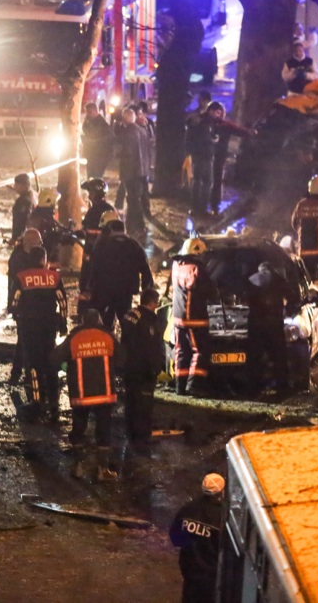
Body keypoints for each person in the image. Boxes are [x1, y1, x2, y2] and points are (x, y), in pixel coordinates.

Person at [53, 310, 124, 481]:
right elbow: (123, 359)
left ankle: (78, 466)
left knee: (79, 429)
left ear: (83, 322)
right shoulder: (108, 336)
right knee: (103, 430)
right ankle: (102, 469)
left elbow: (54, 359)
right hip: (105, 394)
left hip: (80, 394)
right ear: (99, 321)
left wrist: (66, 365)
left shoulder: (75, 337)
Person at [12, 245, 67, 421]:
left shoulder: (21, 277)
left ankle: (38, 401)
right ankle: (54, 402)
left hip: (29, 327)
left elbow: (14, 302)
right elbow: (62, 302)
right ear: (44, 260)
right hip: (49, 326)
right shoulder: (54, 277)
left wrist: (17, 316)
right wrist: (63, 323)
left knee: (33, 365)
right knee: (51, 362)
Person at [86, 217, 154, 330]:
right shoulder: (134, 245)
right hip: (126, 292)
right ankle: (126, 340)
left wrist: (91, 288)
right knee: (126, 322)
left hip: (105, 290)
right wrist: (146, 289)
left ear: (111, 230)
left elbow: (94, 267)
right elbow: (145, 269)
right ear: (124, 230)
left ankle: (108, 338)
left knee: (106, 323)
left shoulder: (103, 245)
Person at [171, 238, 217, 395]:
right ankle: (194, 385)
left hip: (178, 317)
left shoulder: (176, 266)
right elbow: (210, 291)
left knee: (181, 351)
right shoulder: (198, 268)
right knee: (199, 351)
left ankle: (180, 386)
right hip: (195, 318)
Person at [169, 473, 225, 603]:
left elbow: (175, 537)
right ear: (221, 492)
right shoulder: (221, 517)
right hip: (210, 573)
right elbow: (223, 547)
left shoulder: (188, 509)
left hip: (189, 568)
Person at [121, 288, 162, 449]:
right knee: (143, 405)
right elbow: (150, 348)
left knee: (130, 401)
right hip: (143, 370)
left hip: (129, 368)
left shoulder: (131, 315)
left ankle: (130, 435)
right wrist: (154, 368)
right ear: (152, 303)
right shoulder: (148, 320)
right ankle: (142, 438)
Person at [246, 262, 296, 390]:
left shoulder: (252, 279)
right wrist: (288, 310)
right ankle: (282, 384)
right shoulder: (278, 279)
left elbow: (244, 299)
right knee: (279, 354)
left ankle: (254, 385)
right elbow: (292, 297)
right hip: (274, 321)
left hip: (256, 322)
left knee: (255, 354)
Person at [6, 228, 44, 385]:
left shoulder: (22, 256)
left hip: (29, 307)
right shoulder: (20, 259)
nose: (41, 244)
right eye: (39, 241)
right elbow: (20, 285)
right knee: (25, 342)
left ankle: (18, 374)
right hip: (24, 308)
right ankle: (25, 375)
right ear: (31, 242)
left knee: (24, 341)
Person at [208, 102, 252, 214]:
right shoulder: (218, 125)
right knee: (214, 180)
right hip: (212, 156)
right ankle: (212, 205)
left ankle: (212, 205)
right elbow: (240, 131)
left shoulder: (222, 125)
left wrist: (249, 132)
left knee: (215, 180)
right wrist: (250, 132)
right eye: (218, 112)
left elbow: (239, 131)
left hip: (215, 156)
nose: (219, 115)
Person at [114, 107, 147, 236]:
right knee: (135, 198)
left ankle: (136, 226)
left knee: (133, 199)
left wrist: (119, 154)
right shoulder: (142, 131)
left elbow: (124, 151)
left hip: (130, 170)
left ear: (124, 119)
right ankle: (137, 225)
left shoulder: (127, 133)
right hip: (141, 170)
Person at [185, 104, 217, 217]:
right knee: (202, 182)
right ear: (211, 111)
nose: (218, 115)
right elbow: (203, 139)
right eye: (217, 112)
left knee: (201, 182)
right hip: (202, 156)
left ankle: (198, 208)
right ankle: (199, 208)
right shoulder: (204, 123)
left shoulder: (204, 122)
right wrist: (213, 141)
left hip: (202, 156)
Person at [83, 102, 113, 179]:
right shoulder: (88, 121)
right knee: (90, 176)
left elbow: (107, 140)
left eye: (90, 112)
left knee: (96, 177)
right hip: (91, 155)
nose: (88, 114)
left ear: (95, 111)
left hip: (100, 156)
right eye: (87, 112)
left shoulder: (102, 124)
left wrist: (94, 142)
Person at [10, 173, 35, 243]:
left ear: (24, 185)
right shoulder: (33, 195)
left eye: (16, 185)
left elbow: (20, 221)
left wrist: (15, 238)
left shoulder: (23, 201)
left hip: (24, 238)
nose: (14, 187)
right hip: (32, 234)